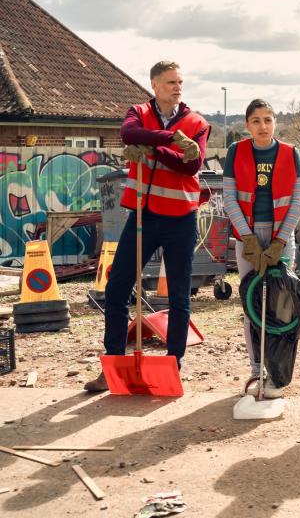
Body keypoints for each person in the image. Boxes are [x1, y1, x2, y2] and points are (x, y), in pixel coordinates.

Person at [85, 61, 208, 391]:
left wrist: (151, 147)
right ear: (154, 85)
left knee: (180, 296)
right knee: (117, 287)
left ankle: (173, 364)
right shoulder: (137, 111)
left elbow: (191, 164)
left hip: (182, 219)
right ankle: (113, 362)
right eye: (170, 82)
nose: (177, 87)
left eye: (180, 82)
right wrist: (170, 140)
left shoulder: (198, 122)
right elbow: (128, 134)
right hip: (144, 215)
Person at [223, 99, 300, 398]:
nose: (263, 126)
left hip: (281, 235)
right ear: (247, 125)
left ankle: (277, 370)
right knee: (252, 305)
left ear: (275, 123)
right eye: (256, 120)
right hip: (249, 238)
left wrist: (280, 242)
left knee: (281, 306)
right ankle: (257, 368)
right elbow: (229, 198)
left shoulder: (289, 153)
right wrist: (248, 239)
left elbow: (297, 202)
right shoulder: (237, 152)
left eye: (268, 120)